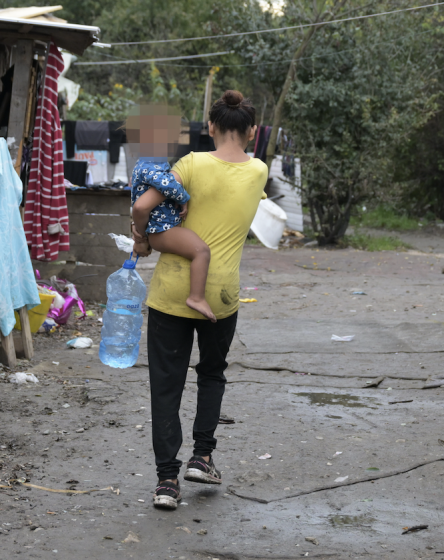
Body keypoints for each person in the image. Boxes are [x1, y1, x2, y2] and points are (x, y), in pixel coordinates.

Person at [131, 90, 268, 510]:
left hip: (172, 289)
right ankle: (203, 457)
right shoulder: (259, 171)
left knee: (166, 384)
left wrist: (141, 238)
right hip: (222, 293)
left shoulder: (189, 164)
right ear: (253, 132)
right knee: (211, 373)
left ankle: (167, 482)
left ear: (209, 127)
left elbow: (147, 204)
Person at [129, 107, 216, 322]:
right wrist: (184, 198)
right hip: (162, 230)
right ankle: (196, 297)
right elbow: (168, 184)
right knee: (201, 252)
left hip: (161, 228)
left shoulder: (152, 162)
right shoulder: (149, 166)